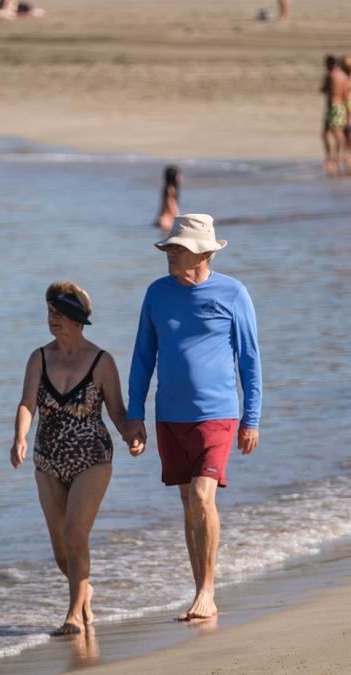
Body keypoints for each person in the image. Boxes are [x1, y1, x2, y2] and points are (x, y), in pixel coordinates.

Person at [127, 214, 262, 622]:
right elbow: (142, 357)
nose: (170, 254)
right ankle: (198, 587)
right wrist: (135, 416)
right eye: (169, 248)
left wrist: (251, 417)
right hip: (169, 415)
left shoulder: (233, 293)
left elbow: (250, 360)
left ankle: (208, 590)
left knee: (203, 496)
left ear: (203, 253)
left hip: (218, 414)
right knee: (189, 503)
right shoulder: (156, 294)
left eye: (178, 248)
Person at [10, 282, 135, 635]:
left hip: (92, 457)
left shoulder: (101, 361)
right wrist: (19, 436)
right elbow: (27, 403)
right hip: (47, 460)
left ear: (78, 320)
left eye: (60, 314)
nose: (53, 319)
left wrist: (131, 435)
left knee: (74, 533)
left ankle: (73, 616)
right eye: (50, 312)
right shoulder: (39, 358)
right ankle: (84, 592)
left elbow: (118, 412)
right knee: (61, 549)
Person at [319, 55, 349, 176]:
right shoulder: (344, 76)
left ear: (329, 64)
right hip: (341, 106)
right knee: (338, 133)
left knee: (329, 133)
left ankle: (332, 158)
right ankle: (337, 158)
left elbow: (322, 89)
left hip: (333, 106)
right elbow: (346, 93)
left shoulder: (330, 75)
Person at [154, 165, 181, 230]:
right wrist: (178, 219)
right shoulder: (171, 190)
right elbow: (171, 205)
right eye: (178, 176)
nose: (181, 178)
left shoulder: (166, 188)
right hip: (167, 220)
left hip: (161, 219)